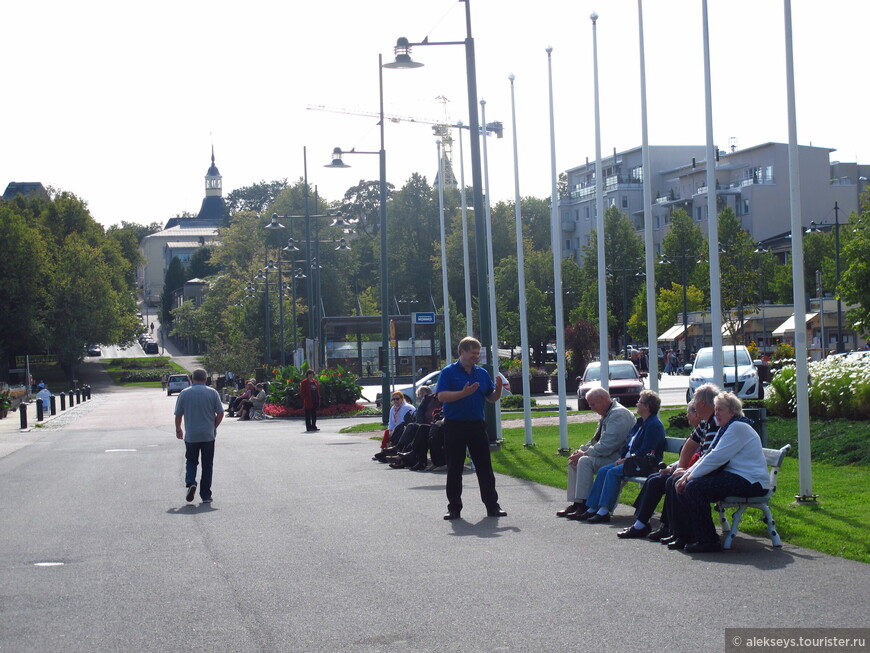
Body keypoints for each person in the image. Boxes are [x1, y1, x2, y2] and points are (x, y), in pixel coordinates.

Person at [616, 383, 719, 540]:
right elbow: (689, 446)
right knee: (656, 479)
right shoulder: (705, 424)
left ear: (703, 403)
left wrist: (682, 471)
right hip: (694, 468)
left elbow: (709, 457)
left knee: (670, 480)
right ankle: (644, 524)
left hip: (707, 471)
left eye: (695, 400)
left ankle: (675, 529)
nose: (692, 404)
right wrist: (677, 467)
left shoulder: (718, 424)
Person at [673, 391, 769, 552]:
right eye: (715, 409)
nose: (716, 413)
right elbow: (708, 455)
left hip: (752, 482)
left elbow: (716, 458)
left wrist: (688, 477)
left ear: (732, 411)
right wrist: (688, 474)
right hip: (737, 477)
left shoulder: (738, 427)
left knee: (694, 488)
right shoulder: (727, 428)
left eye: (721, 410)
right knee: (691, 485)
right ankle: (693, 535)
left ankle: (708, 541)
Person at [435, 336, 506, 521]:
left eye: (478, 353)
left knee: (484, 468)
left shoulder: (481, 373)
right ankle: (454, 508)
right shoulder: (448, 372)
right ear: (462, 352)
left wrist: (498, 389)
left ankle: (493, 506)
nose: (476, 356)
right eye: (473, 353)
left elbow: (491, 398)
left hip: (476, 426)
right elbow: (441, 396)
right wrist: (463, 393)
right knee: (455, 468)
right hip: (454, 426)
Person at [579, 389, 667, 523]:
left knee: (613, 473)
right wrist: (623, 457)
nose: (637, 404)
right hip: (630, 461)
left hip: (644, 464)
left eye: (639, 402)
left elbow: (646, 451)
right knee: (604, 471)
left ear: (647, 406)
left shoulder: (654, 425)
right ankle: (592, 508)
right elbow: (628, 444)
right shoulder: (640, 423)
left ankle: (604, 510)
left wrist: (625, 459)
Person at [557, 387, 635, 519]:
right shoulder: (608, 413)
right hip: (607, 455)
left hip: (617, 458)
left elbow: (607, 446)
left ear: (603, 400)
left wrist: (585, 454)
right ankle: (577, 503)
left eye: (592, 404)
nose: (591, 407)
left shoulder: (619, 414)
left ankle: (586, 505)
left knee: (584, 461)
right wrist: (582, 450)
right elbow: (596, 440)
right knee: (574, 460)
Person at [174, 368, 224, 503]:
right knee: (207, 464)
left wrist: (178, 429)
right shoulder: (212, 393)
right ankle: (206, 495)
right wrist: (214, 426)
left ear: (191, 378)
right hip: (208, 434)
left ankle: (191, 483)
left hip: (191, 435)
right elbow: (220, 412)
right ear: (206, 379)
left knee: (191, 461)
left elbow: (178, 414)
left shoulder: (184, 393)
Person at [372, 391, 416, 462]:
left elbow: (404, 421)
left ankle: (392, 453)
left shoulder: (408, 407)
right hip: (395, 427)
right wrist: (390, 430)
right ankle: (383, 451)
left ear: (402, 399)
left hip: (404, 428)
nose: (395, 401)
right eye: (393, 399)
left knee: (398, 432)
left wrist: (395, 429)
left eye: (397, 399)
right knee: (387, 432)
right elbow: (391, 422)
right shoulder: (393, 408)